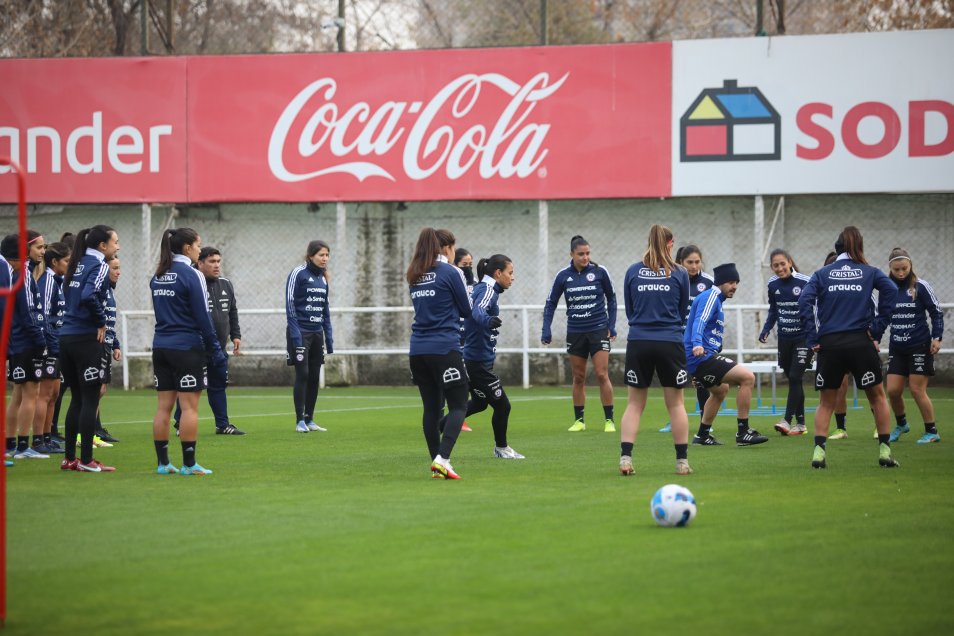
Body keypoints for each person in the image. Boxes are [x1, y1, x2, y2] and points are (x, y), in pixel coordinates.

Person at [798, 226, 898, 469]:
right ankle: (885, 451)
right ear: (859, 247)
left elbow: (804, 301)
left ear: (837, 249)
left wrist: (812, 338)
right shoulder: (869, 272)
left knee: (826, 402)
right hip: (860, 343)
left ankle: (819, 453)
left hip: (830, 344)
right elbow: (893, 291)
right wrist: (877, 328)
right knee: (877, 397)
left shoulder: (822, 273)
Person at [150, 228, 226, 475]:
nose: (199, 250)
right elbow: (202, 316)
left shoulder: (158, 275)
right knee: (190, 407)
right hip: (186, 347)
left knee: (164, 408)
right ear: (186, 248)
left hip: (160, 346)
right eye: (197, 245)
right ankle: (189, 464)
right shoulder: (193, 275)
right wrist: (215, 348)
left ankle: (163, 464)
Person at [619, 225, 693, 476]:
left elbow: (629, 310)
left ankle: (625, 459)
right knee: (675, 405)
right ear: (671, 244)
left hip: (639, 340)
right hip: (670, 341)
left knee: (634, 404)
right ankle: (682, 463)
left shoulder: (632, 271)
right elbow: (683, 310)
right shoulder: (680, 273)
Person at [407, 228, 472, 479]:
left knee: (431, 409)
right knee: (458, 405)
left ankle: (437, 462)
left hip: (417, 350)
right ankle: (443, 458)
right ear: (445, 248)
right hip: (444, 347)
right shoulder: (451, 271)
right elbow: (466, 310)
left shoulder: (414, 273)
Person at [685, 262, 768, 447]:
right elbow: (700, 321)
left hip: (702, 357)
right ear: (720, 282)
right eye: (731, 282)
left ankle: (702, 435)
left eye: (736, 282)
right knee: (747, 377)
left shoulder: (716, 301)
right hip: (701, 356)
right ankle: (743, 432)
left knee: (720, 390)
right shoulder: (711, 297)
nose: (735, 287)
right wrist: (697, 344)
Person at [57, 225, 119, 472]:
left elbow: (72, 295)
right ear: (102, 246)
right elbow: (88, 295)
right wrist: (101, 321)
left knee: (77, 399)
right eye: (115, 241)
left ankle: (69, 458)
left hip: (67, 337)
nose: (118, 246)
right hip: (86, 338)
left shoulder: (77, 263)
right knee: (89, 399)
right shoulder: (100, 265)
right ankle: (87, 461)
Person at [541, 235, 618, 433]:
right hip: (575, 331)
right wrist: (546, 329)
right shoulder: (563, 276)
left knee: (602, 374)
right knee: (578, 377)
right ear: (572, 254)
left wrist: (612, 325)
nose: (585, 257)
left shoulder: (600, 272)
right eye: (581, 254)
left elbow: (612, 298)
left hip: (598, 328)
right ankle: (579, 421)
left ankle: (609, 420)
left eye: (588, 253)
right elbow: (551, 303)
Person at [174, 247, 245, 435]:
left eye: (218, 261)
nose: (217, 265)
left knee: (219, 385)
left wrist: (235, 335)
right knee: (189, 386)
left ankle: (222, 425)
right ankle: (180, 423)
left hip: (218, 348)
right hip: (195, 347)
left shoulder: (226, 284)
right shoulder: (193, 282)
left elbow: (232, 311)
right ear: (200, 263)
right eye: (212, 262)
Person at [461, 253, 522, 458]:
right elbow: (477, 311)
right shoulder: (487, 289)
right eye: (510, 273)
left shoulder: (485, 288)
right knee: (503, 406)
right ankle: (502, 449)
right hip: (477, 363)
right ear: (498, 273)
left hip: (476, 360)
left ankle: (437, 428)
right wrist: (487, 321)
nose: (512, 278)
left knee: (479, 403)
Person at [884, 248, 943, 444]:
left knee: (917, 390)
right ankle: (902, 424)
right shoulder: (887, 289)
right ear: (890, 269)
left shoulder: (920, 286)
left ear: (910, 266)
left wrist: (937, 337)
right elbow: (881, 316)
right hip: (897, 347)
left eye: (904, 268)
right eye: (896, 269)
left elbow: (936, 312)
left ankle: (931, 430)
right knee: (892, 390)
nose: (901, 273)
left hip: (919, 345)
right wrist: (873, 336)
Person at [2, 233, 48, 461]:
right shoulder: (23, 276)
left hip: (17, 341)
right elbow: (28, 312)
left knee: (19, 394)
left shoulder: (19, 274)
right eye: (39, 247)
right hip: (26, 342)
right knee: (31, 393)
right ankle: (22, 446)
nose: (42, 251)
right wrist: (40, 341)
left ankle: (10, 444)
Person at [759, 249, 813, 436]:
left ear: (790, 262)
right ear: (772, 267)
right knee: (792, 379)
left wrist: (816, 338)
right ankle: (801, 424)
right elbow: (773, 310)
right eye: (776, 265)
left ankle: (786, 420)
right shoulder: (772, 284)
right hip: (784, 340)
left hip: (803, 339)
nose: (780, 268)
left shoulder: (806, 282)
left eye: (783, 263)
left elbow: (814, 311)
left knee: (796, 377)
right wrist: (766, 329)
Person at [660, 244, 714, 433]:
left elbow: (714, 312)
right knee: (675, 380)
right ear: (680, 263)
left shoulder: (708, 282)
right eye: (689, 262)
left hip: (699, 341)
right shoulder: (670, 279)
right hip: (675, 338)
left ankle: (705, 422)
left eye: (697, 262)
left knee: (702, 381)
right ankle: (674, 420)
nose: (693, 266)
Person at [285, 240, 334, 433]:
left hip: (316, 334)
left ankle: (310, 419)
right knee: (303, 374)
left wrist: (328, 339)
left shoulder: (323, 279)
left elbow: (325, 310)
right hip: (300, 333)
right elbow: (290, 304)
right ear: (311, 256)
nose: (325, 259)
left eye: (327, 255)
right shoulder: (298, 273)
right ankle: (299, 421)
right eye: (321, 255)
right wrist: (296, 336)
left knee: (314, 376)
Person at [33, 241, 71, 455]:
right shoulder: (47, 281)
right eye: (66, 261)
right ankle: (38, 440)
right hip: (49, 346)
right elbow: (43, 317)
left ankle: (47, 438)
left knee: (54, 394)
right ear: (55, 262)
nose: (69, 264)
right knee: (45, 394)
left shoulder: (57, 281)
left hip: (57, 344)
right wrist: (49, 345)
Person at [93, 255, 122, 446]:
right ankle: (88, 433)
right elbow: (97, 320)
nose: (118, 272)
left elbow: (108, 323)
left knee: (100, 389)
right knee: (95, 389)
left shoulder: (110, 291)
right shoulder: (100, 290)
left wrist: (116, 344)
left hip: (106, 343)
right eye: (115, 268)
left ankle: (94, 430)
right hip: (97, 344)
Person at [453, 247, 475, 432]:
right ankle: (455, 418)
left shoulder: (475, 283)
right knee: (456, 378)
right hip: (454, 335)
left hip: (470, 336)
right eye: (464, 264)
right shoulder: (453, 282)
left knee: (466, 377)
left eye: (470, 264)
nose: (468, 268)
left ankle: (460, 416)